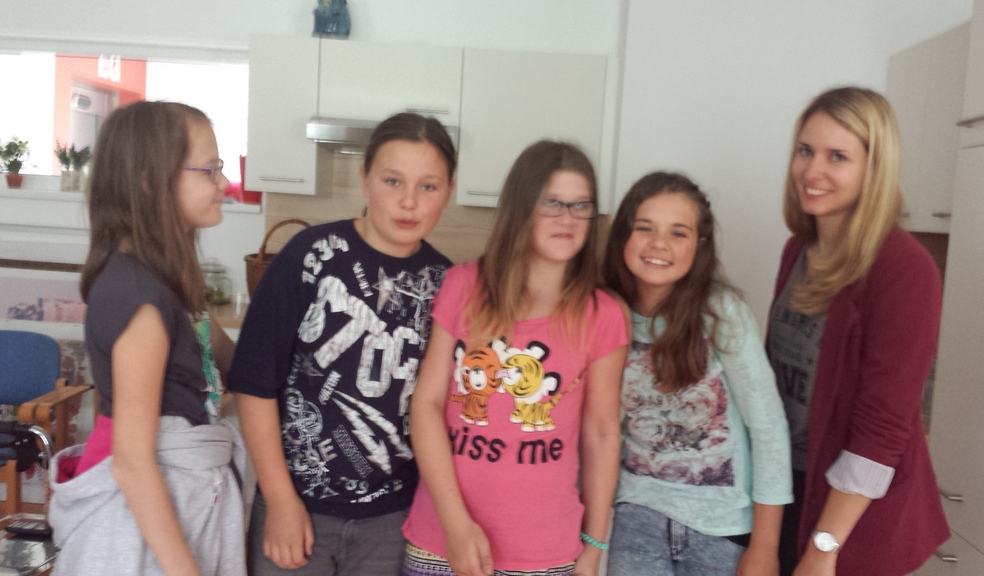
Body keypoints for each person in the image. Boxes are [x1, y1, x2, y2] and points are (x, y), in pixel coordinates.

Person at [228, 112, 457, 575]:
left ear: (449, 190)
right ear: (365, 176)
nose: (409, 201)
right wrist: (280, 501)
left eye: (428, 186)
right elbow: (253, 384)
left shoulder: (447, 284)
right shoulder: (310, 255)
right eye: (392, 181)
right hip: (296, 508)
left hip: (393, 520)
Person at [402, 141, 628, 576]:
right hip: (442, 541)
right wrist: (456, 526)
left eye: (581, 205)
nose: (568, 218)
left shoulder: (603, 315)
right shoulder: (464, 285)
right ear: (521, 208)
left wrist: (594, 546)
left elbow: (602, 434)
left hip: (545, 554)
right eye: (552, 203)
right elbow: (427, 404)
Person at [48, 101, 243, 576]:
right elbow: (133, 464)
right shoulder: (139, 299)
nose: (224, 183)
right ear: (149, 182)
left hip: (179, 511)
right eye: (209, 170)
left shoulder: (168, 284)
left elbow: (235, 366)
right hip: (138, 537)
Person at [768, 87, 949, 576]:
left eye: (837, 157)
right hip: (790, 482)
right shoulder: (798, 250)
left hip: (851, 514)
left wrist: (824, 547)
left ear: (874, 168)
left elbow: (882, 429)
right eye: (805, 150)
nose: (812, 170)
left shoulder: (904, 268)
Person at [602, 172, 792, 576]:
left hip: (723, 529)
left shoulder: (721, 314)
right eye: (645, 228)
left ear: (700, 245)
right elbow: (597, 429)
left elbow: (768, 429)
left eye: (678, 233)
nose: (659, 244)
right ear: (622, 236)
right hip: (637, 519)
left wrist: (766, 546)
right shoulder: (605, 314)